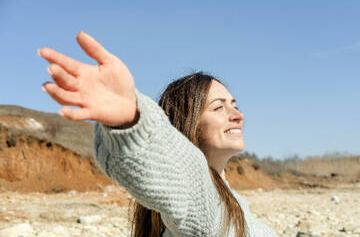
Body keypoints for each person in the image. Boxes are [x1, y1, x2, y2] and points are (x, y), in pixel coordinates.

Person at [39, 31, 278, 237]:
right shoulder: (203, 205)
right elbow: (188, 179)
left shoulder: (232, 201)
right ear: (190, 124)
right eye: (218, 107)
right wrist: (131, 119)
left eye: (234, 105)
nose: (237, 114)